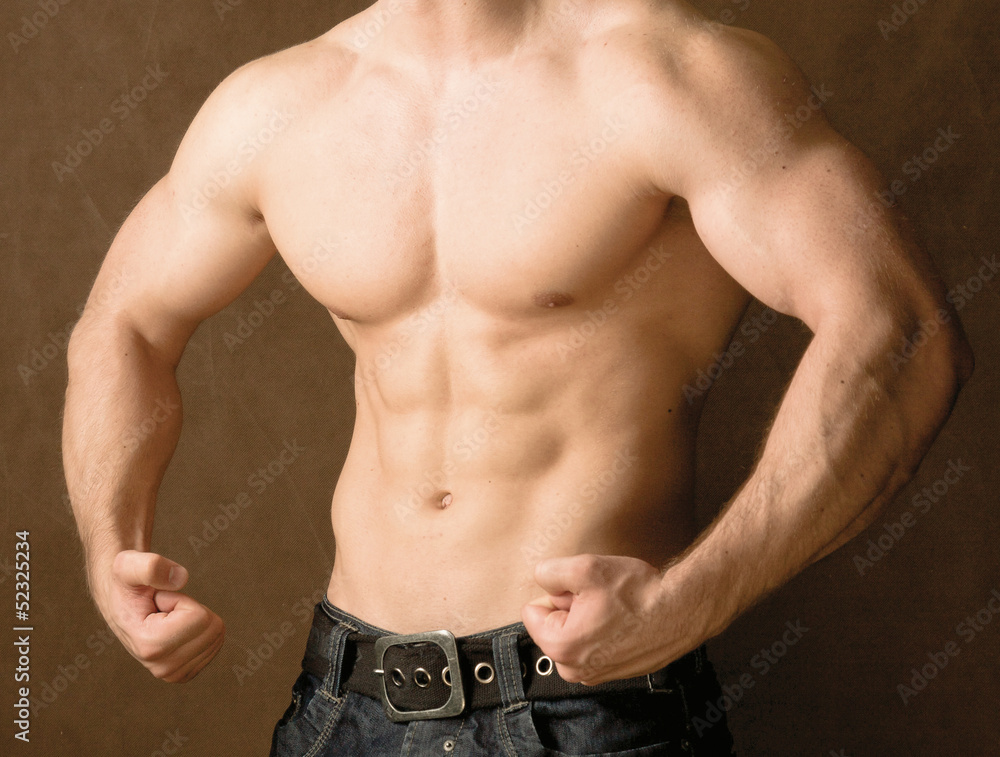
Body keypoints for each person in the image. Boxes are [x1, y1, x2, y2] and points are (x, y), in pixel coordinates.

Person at [63, 0, 974, 754]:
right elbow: (124, 321)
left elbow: (899, 329)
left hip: (588, 709)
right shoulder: (278, 105)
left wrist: (691, 600)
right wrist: (111, 547)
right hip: (344, 700)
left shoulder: (663, 73)